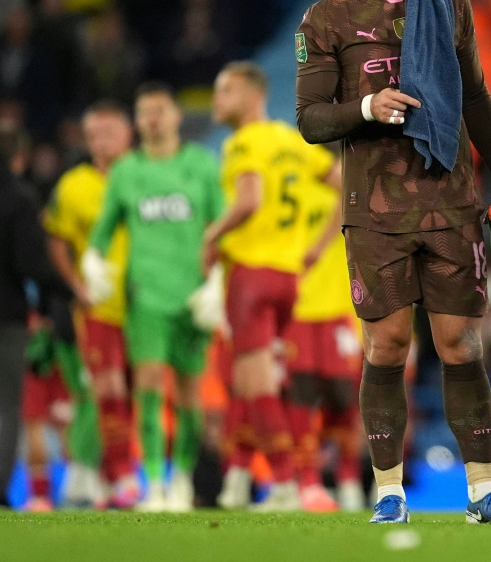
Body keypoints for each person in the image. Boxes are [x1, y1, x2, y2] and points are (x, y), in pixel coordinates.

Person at [295, 0, 491, 525]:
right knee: (388, 345)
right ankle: (389, 491)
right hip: (374, 210)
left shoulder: (448, 0)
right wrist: (369, 108)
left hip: (452, 201)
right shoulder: (326, 18)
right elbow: (311, 120)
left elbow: (477, 97)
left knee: (462, 345)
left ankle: (484, 491)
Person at [206, 60, 339, 512]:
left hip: (250, 273)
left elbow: (249, 200)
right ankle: (239, 479)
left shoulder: (242, 142)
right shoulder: (292, 141)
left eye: (224, 91)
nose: (215, 101)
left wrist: (211, 236)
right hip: (288, 278)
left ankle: (285, 483)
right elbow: (345, 187)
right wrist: (317, 247)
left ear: (250, 94)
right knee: (250, 381)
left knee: (254, 380)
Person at [86, 83, 225, 512]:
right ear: (137, 120)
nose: (153, 119)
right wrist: (93, 261)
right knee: (146, 387)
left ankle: (182, 478)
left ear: (176, 116)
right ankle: (152, 483)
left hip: (191, 297)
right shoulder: (126, 171)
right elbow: (104, 228)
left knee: (189, 394)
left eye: (160, 110)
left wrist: (217, 281)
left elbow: (220, 228)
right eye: (144, 112)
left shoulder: (201, 165)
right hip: (146, 297)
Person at [44, 100, 139, 508]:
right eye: (93, 134)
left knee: (138, 390)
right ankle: (118, 476)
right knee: (107, 388)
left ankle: (114, 473)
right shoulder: (73, 185)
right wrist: (77, 286)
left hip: (145, 303)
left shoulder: (145, 176)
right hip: (97, 306)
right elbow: (55, 242)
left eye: (109, 132)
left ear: (128, 135)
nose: (101, 141)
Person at [282, 162, 366, 512]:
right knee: (301, 397)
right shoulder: (279, 185)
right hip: (295, 307)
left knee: (345, 398)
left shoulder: (347, 187)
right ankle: (308, 481)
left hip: (339, 307)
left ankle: (348, 479)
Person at [0, 126, 74, 509]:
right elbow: (29, 262)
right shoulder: (18, 198)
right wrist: (66, 292)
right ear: (19, 158)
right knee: (9, 406)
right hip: (9, 317)